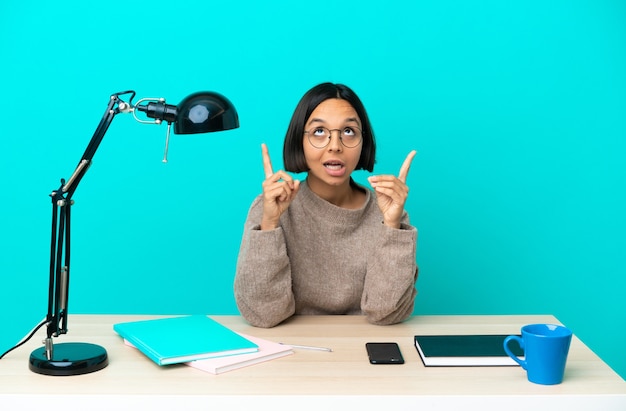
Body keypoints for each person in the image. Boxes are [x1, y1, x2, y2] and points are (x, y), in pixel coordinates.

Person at [234, 82, 418, 328]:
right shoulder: (270, 207)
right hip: (292, 351)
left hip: (365, 350)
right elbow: (262, 314)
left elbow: (386, 313)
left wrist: (392, 227)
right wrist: (269, 225)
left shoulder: (388, 212)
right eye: (319, 131)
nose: (335, 145)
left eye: (349, 131)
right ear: (299, 140)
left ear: (364, 141)